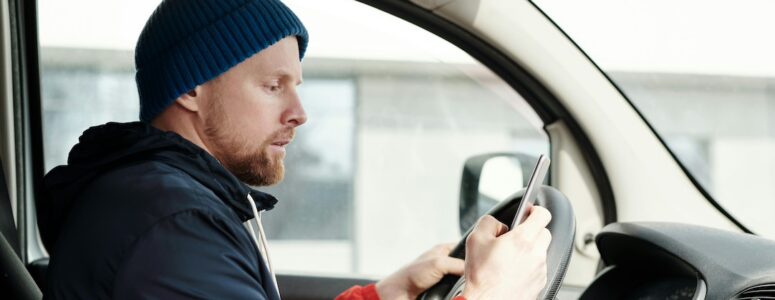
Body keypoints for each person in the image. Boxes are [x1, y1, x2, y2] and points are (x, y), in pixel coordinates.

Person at [38, 0, 553, 299]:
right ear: (192, 89)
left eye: (296, 86)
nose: (299, 113)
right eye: (272, 86)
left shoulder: (169, 202)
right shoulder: (171, 227)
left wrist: (381, 295)